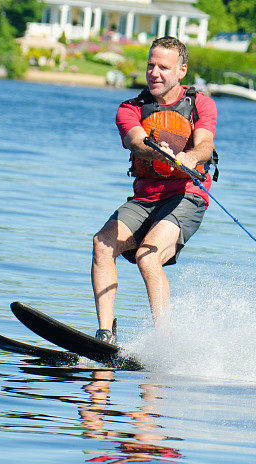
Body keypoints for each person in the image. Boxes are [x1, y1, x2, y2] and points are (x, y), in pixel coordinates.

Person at [91, 36, 217, 344]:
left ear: (181, 71)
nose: (155, 73)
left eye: (163, 67)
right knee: (102, 244)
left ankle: (163, 342)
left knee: (148, 255)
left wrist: (188, 156)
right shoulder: (130, 108)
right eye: (150, 65)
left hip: (187, 194)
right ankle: (105, 334)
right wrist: (155, 152)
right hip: (146, 197)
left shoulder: (200, 103)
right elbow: (134, 141)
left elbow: (205, 145)